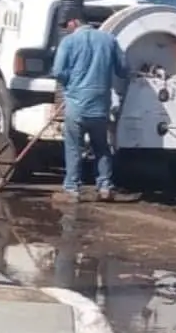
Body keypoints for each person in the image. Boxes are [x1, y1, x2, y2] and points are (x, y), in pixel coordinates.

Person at [51, 15, 128, 202]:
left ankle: (72, 189)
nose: (66, 29)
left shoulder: (68, 42)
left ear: (75, 21)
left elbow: (58, 72)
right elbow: (123, 69)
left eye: (66, 25)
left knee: (73, 147)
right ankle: (104, 187)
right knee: (101, 146)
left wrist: (72, 81)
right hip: (101, 104)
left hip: (77, 103)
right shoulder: (109, 40)